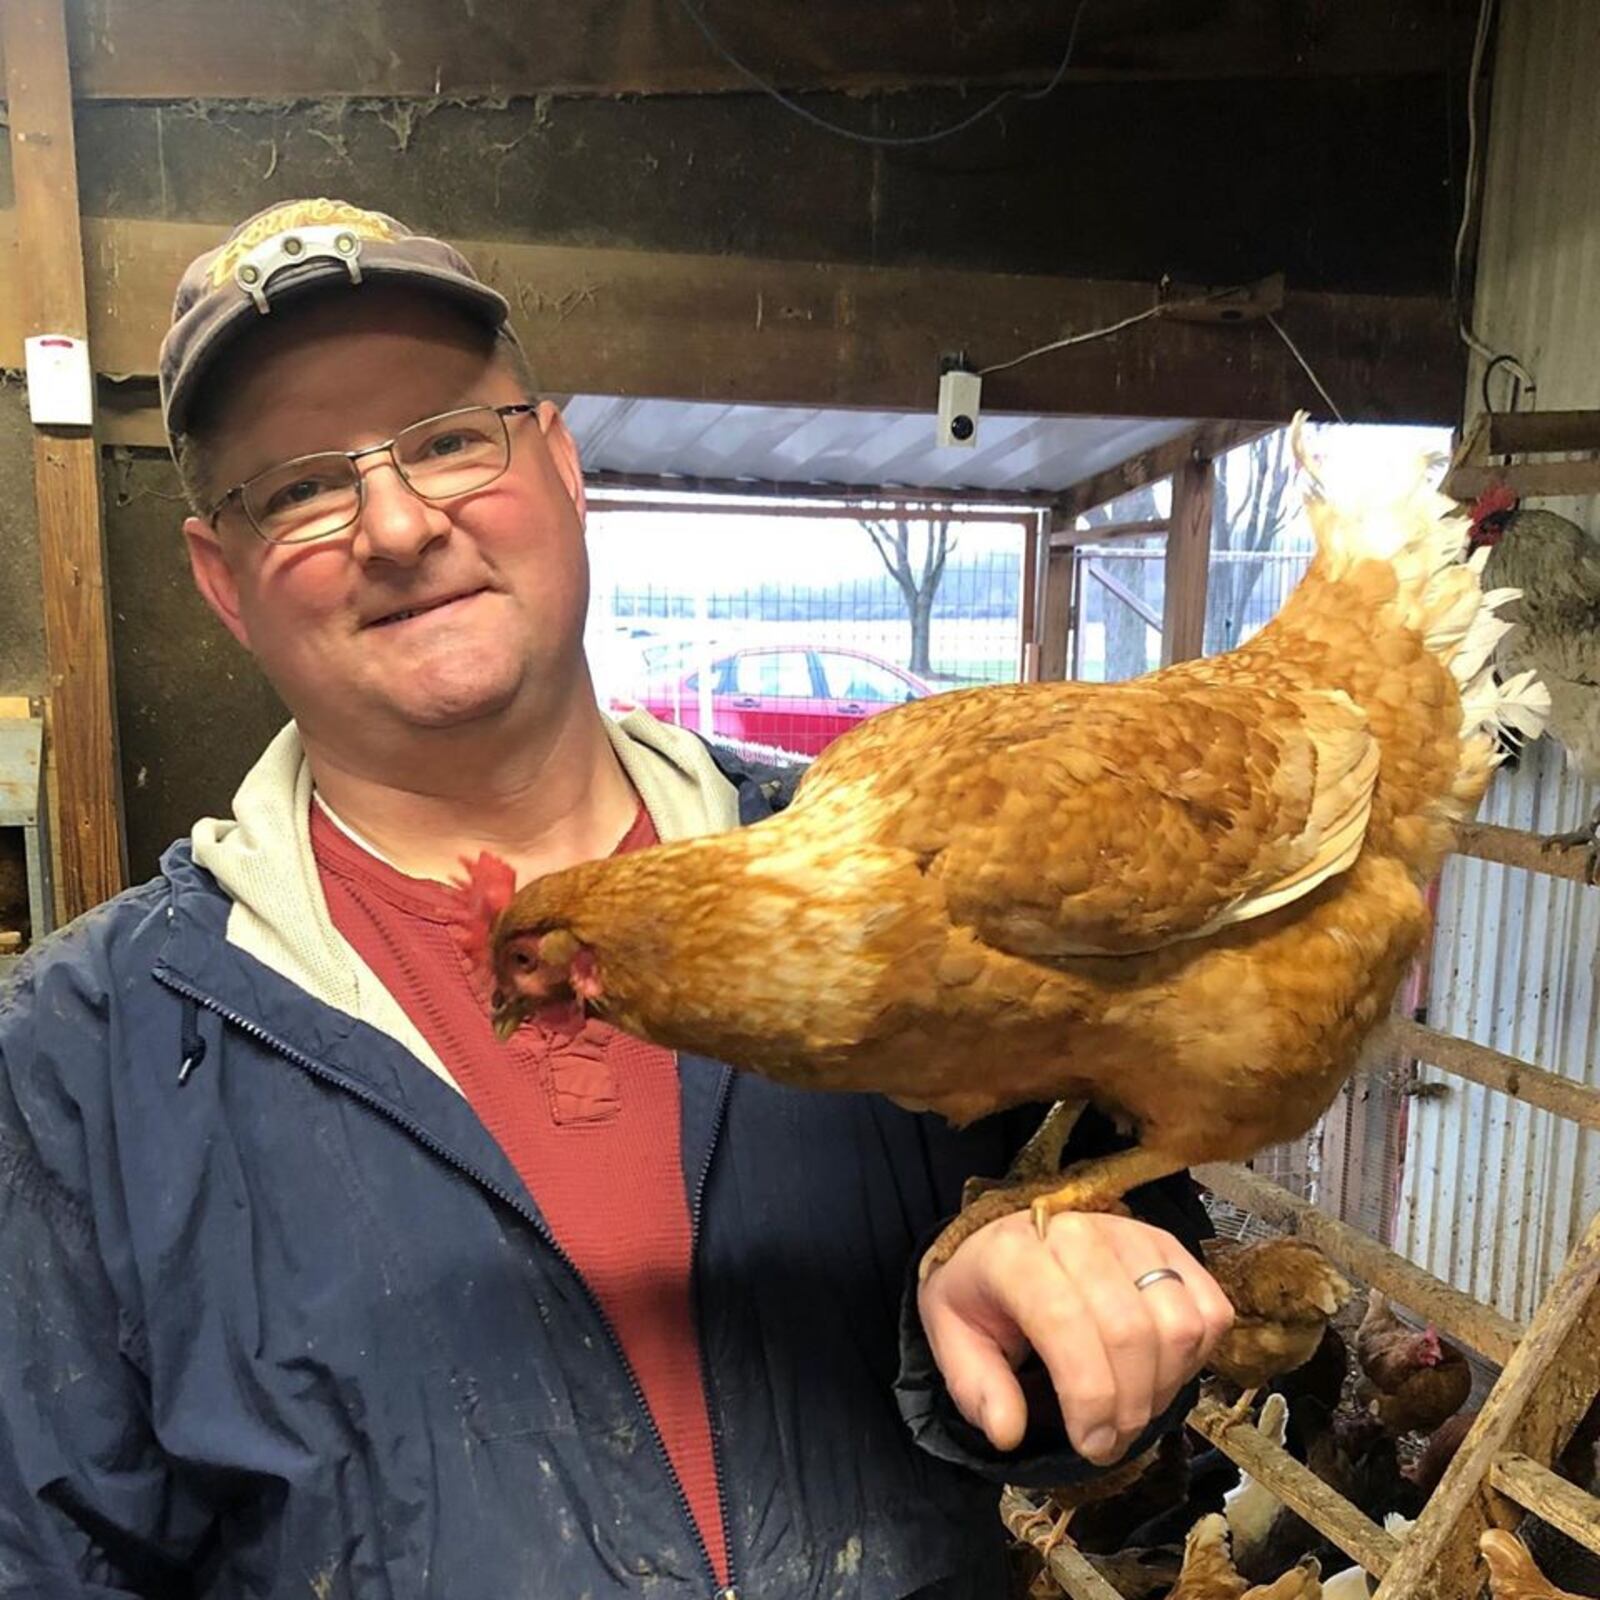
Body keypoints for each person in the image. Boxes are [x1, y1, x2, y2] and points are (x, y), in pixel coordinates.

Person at [0, 199, 1232, 1599]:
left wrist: (1044, 1339)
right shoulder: (81, 1061)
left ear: (565, 464)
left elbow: (1139, 1301)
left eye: (451, 441)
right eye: (299, 488)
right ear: (221, 580)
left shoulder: (896, 874)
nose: (398, 524)